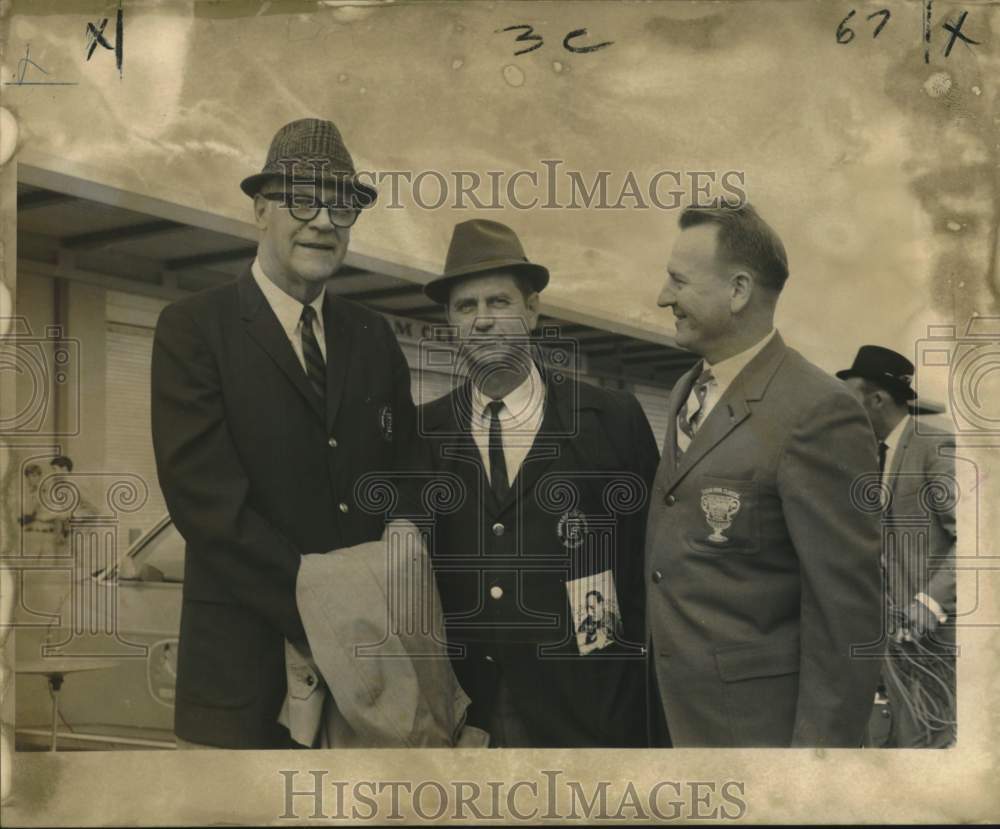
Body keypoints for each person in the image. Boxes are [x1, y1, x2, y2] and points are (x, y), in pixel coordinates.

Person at [151, 118, 416, 749]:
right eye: (302, 199)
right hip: (246, 679)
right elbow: (208, 505)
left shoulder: (373, 337)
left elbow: (408, 474)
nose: (324, 221)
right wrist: (330, 613)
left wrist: (404, 545)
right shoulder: (193, 329)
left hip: (368, 682)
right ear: (261, 208)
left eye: (343, 204)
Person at [413, 219, 658, 747]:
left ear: (532, 310)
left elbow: (647, 567)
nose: (482, 321)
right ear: (450, 323)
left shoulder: (610, 418)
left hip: (590, 715)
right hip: (467, 718)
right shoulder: (424, 432)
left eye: (498, 302)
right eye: (465, 306)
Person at [646, 203, 883, 747]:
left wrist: (814, 771)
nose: (662, 297)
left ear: (738, 290)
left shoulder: (820, 409)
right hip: (676, 718)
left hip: (757, 737)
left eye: (678, 281)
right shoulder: (688, 388)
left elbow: (845, 615)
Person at [838, 345, 956, 747]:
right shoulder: (872, 454)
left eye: (849, 398)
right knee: (906, 742)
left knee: (936, 745)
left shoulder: (935, 448)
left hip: (935, 636)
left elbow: (975, 540)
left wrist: (929, 603)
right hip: (895, 637)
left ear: (877, 398)